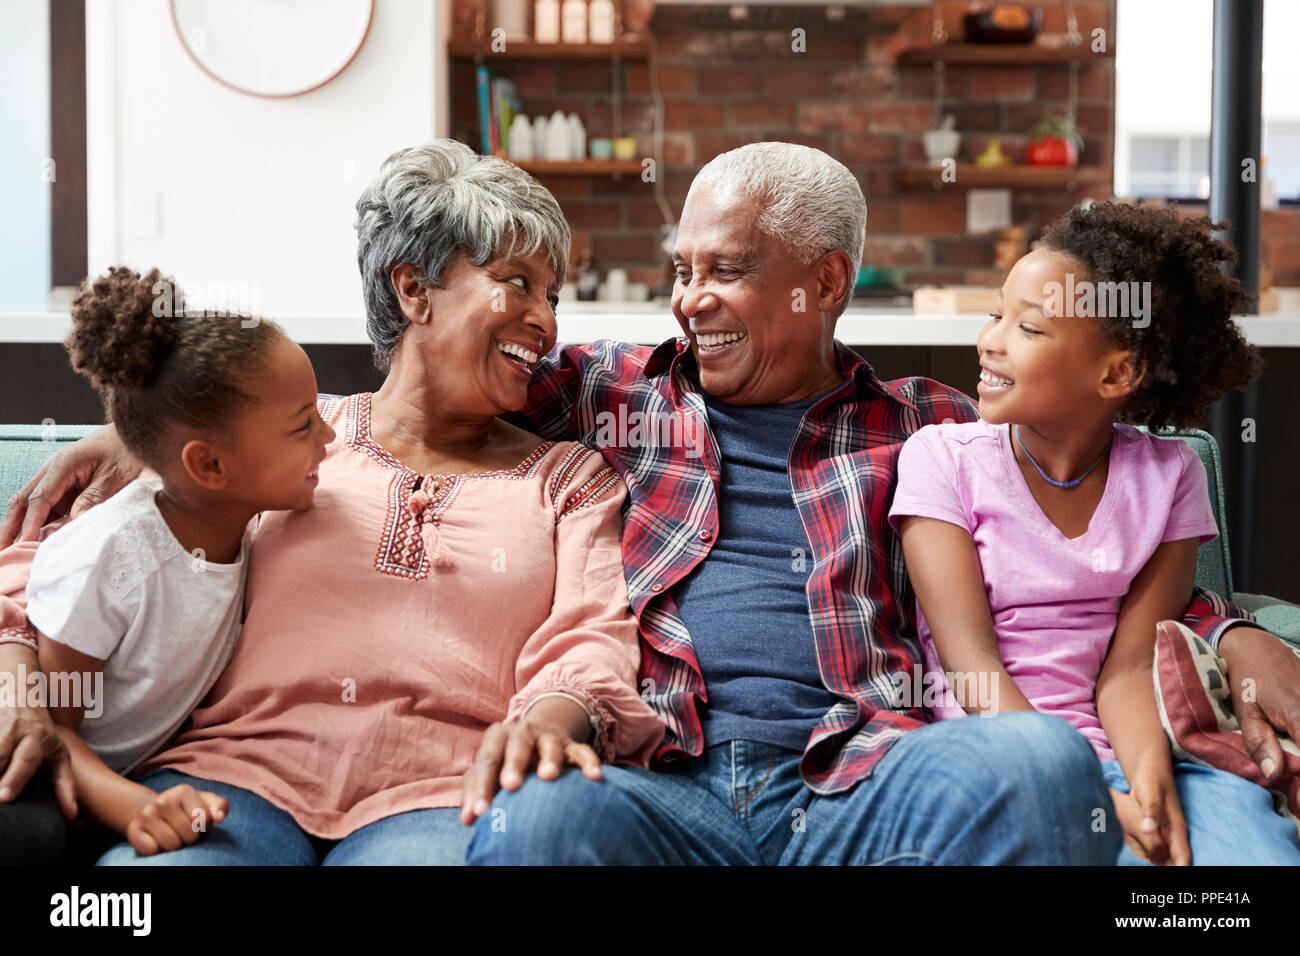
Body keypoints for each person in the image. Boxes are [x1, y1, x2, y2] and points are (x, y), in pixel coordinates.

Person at [458, 143, 1297, 865]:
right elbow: (440, 393)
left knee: (1038, 761)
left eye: (728, 270)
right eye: (684, 269)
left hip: (861, 778)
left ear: (824, 281)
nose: (690, 298)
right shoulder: (612, 389)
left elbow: (1089, 547)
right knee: (536, 814)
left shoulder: (936, 427)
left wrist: (1239, 630)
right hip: (664, 772)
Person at [0, 140, 662, 865]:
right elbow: (54, 566)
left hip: (444, 794)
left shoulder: (570, 480)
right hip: (227, 782)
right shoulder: (285, 432)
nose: (546, 321)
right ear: (414, 291)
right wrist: (18, 686)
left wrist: (552, 718)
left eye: (552, 296)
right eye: (518, 283)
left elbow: (591, 635)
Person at [890, 202, 1300, 865]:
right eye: (997, 313)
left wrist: (1148, 787)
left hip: (1138, 746)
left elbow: (1130, 668)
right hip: (998, 760)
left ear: (1117, 373)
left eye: (1028, 327)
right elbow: (971, 666)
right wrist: (1084, 792)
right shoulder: (942, 460)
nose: (990, 340)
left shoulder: (1171, 477)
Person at [29, 266, 330, 857]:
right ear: (210, 466)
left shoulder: (240, 525)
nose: (330, 436)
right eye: (304, 426)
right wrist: (133, 807)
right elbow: (53, 732)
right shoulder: (111, 562)